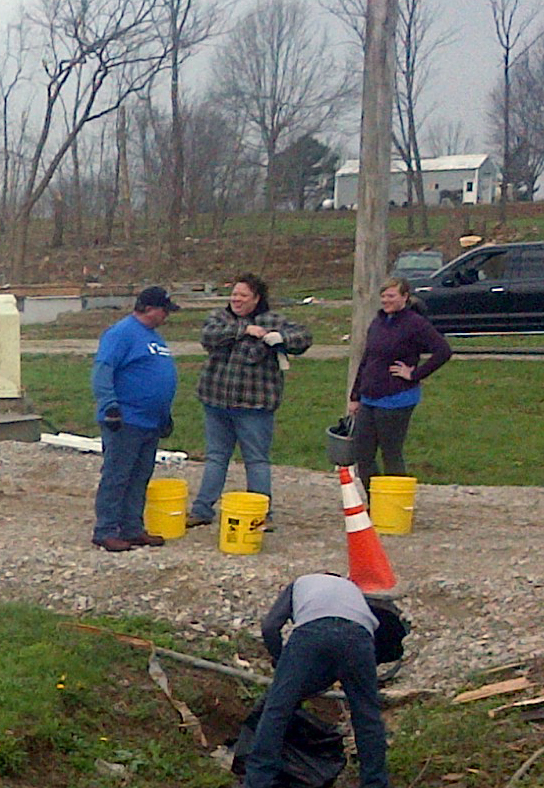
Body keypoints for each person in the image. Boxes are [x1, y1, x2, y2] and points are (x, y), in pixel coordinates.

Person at [245, 573, 406, 788]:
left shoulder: (300, 583)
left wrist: (281, 661)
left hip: (312, 632)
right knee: (367, 717)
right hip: (359, 637)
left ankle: (258, 781)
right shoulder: (352, 590)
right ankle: (375, 783)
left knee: (277, 710)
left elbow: (270, 627)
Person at [189, 274, 313, 528]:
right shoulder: (219, 318)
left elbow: (304, 337)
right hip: (216, 403)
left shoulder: (274, 320)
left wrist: (281, 339)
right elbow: (208, 337)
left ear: (257, 299)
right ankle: (202, 510)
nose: (236, 299)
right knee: (216, 458)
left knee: (256, 460)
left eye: (243, 295)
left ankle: (261, 514)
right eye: (234, 294)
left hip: (255, 408)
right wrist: (243, 330)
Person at [91, 286, 180, 552]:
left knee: (140, 476)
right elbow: (103, 370)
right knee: (118, 475)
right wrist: (110, 406)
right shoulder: (121, 333)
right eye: (165, 310)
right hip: (126, 419)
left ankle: (132, 528)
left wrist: (163, 415)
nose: (167, 316)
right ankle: (106, 529)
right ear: (150, 308)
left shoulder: (153, 337)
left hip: (150, 421)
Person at [348, 278, 452, 484]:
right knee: (363, 454)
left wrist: (414, 375)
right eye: (383, 296)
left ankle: (396, 504)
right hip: (369, 397)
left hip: (397, 398)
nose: (386, 301)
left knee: (391, 454)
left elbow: (443, 351)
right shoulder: (377, 322)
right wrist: (355, 396)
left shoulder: (415, 323)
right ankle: (375, 501)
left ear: (404, 297)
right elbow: (367, 359)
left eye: (391, 296)